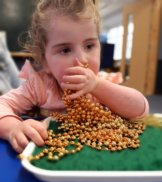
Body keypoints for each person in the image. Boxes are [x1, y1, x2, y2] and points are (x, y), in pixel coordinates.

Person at [0, 0, 149, 153]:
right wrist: (13, 127)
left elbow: (140, 109)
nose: (82, 59)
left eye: (89, 46)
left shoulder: (104, 81)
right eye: (65, 50)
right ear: (45, 61)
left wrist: (98, 86)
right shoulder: (39, 86)